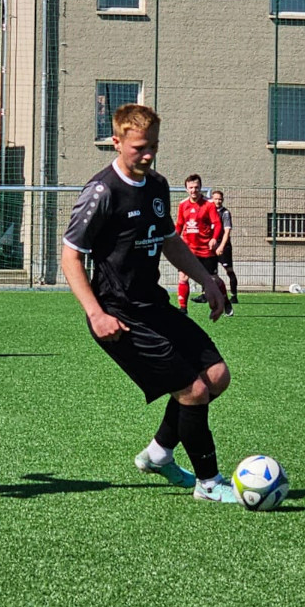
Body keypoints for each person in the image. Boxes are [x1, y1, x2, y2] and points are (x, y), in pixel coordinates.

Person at [60, 104, 240, 504]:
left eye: (153, 146)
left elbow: (170, 241)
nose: (148, 154)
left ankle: (159, 453)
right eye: (140, 147)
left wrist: (207, 280)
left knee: (217, 376)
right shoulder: (101, 192)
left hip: (152, 305)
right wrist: (96, 314)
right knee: (193, 390)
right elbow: (70, 256)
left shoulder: (158, 185)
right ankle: (208, 483)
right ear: (117, 142)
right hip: (117, 315)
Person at [175, 173, 227, 315]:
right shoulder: (182, 205)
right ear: (186, 189)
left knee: (213, 280)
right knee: (183, 277)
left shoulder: (208, 205)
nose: (194, 190)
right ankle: (183, 309)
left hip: (206, 249)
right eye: (191, 188)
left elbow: (217, 224)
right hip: (189, 249)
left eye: (196, 187)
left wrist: (214, 238)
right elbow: (179, 225)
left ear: (201, 188)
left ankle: (225, 300)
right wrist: (173, 240)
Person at [211, 189, 239, 304]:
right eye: (216, 199)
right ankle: (205, 294)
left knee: (229, 270)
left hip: (223, 246)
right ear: (212, 199)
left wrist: (221, 246)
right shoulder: (209, 211)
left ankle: (234, 295)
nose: (218, 201)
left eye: (220, 199)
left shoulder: (225, 213)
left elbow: (227, 232)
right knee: (208, 271)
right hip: (212, 246)